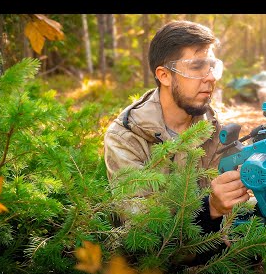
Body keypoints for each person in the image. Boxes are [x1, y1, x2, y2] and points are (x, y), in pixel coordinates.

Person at [103, 20, 250, 235]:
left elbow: (231, 216)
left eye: (211, 67)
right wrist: (211, 207)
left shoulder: (212, 126)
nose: (209, 77)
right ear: (164, 76)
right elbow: (143, 231)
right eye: (197, 67)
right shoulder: (125, 138)